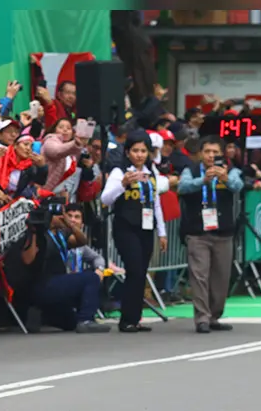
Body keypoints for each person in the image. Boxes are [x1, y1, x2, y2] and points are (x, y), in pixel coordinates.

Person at [101, 130, 169, 333]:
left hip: (147, 227)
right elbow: (105, 199)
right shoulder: (119, 172)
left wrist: (162, 232)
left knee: (141, 273)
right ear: (128, 152)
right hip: (125, 227)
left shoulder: (151, 173)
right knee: (135, 269)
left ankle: (135, 318)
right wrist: (123, 184)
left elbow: (156, 202)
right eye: (135, 150)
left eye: (143, 151)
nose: (139, 155)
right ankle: (126, 319)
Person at [177, 136, 245, 333]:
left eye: (215, 152)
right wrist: (203, 180)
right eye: (207, 152)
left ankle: (214, 315)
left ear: (221, 154)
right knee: (199, 276)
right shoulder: (191, 170)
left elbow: (238, 186)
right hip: (197, 232)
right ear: (201, 153)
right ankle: (202, 319)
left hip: (223, 231)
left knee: (221, 278)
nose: (211, 156)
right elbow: (183, 187)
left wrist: (224, 178)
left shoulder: (230, 170)